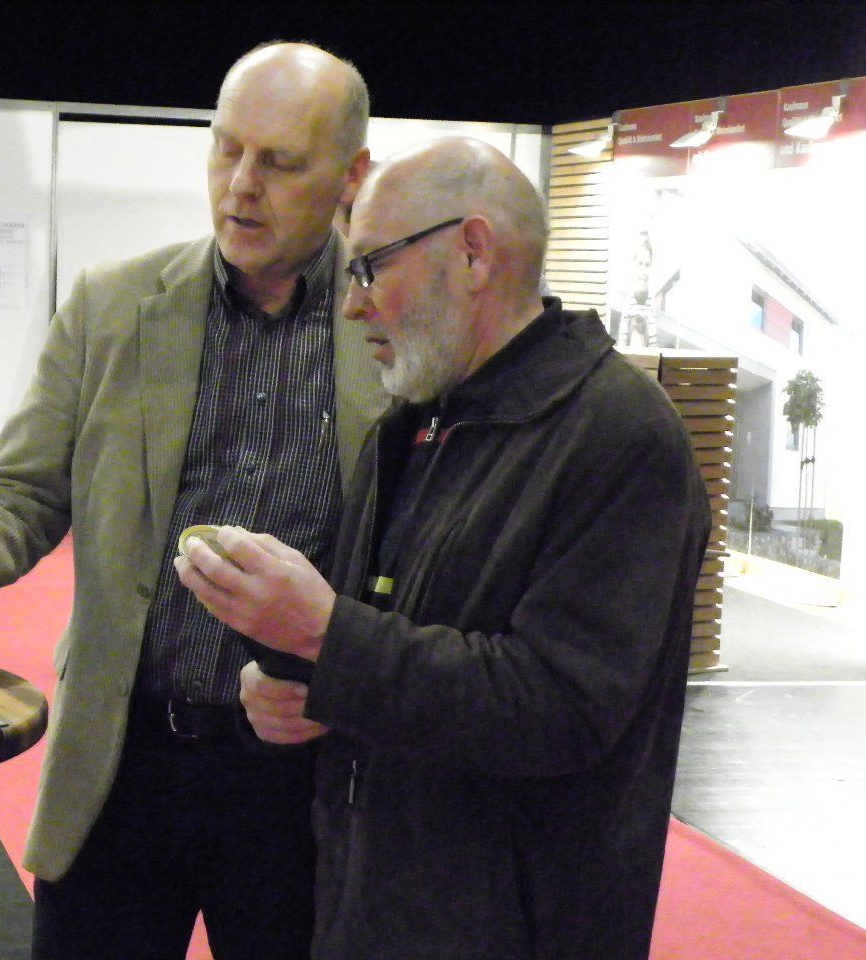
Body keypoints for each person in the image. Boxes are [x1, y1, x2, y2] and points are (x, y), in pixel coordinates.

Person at [0, 41, 384, 960]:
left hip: (308, 779)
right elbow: (24, 488)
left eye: (280, 161)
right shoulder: (114, 306)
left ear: (352, 176)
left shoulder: (392, 328)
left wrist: (353, 678)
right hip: (122, 760)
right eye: (226, 148)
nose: (242, 185)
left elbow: (430, 548)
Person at [176, 137, 712, 960]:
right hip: (369, 908)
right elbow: (389, 650)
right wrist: (295, 686)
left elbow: (560, 710)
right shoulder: (413, 426)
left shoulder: (622, 435)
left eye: (368, 268)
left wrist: (325, 635)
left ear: (471, 252)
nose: (351, 306)